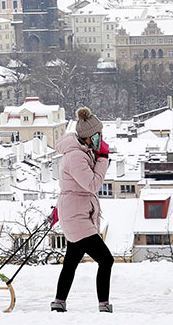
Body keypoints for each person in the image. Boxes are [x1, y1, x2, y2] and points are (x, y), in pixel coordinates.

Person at [51, 106, 114, 313]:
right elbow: (93, 184)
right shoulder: (76, 157)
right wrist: (103, 158)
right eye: (98, 135)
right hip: (77, 216)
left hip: (76, 212)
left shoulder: (82, 151)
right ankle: (104, 306)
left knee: (71, 261)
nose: (100, 138)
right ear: (88, 137)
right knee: (106, 259)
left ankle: (59, 303)